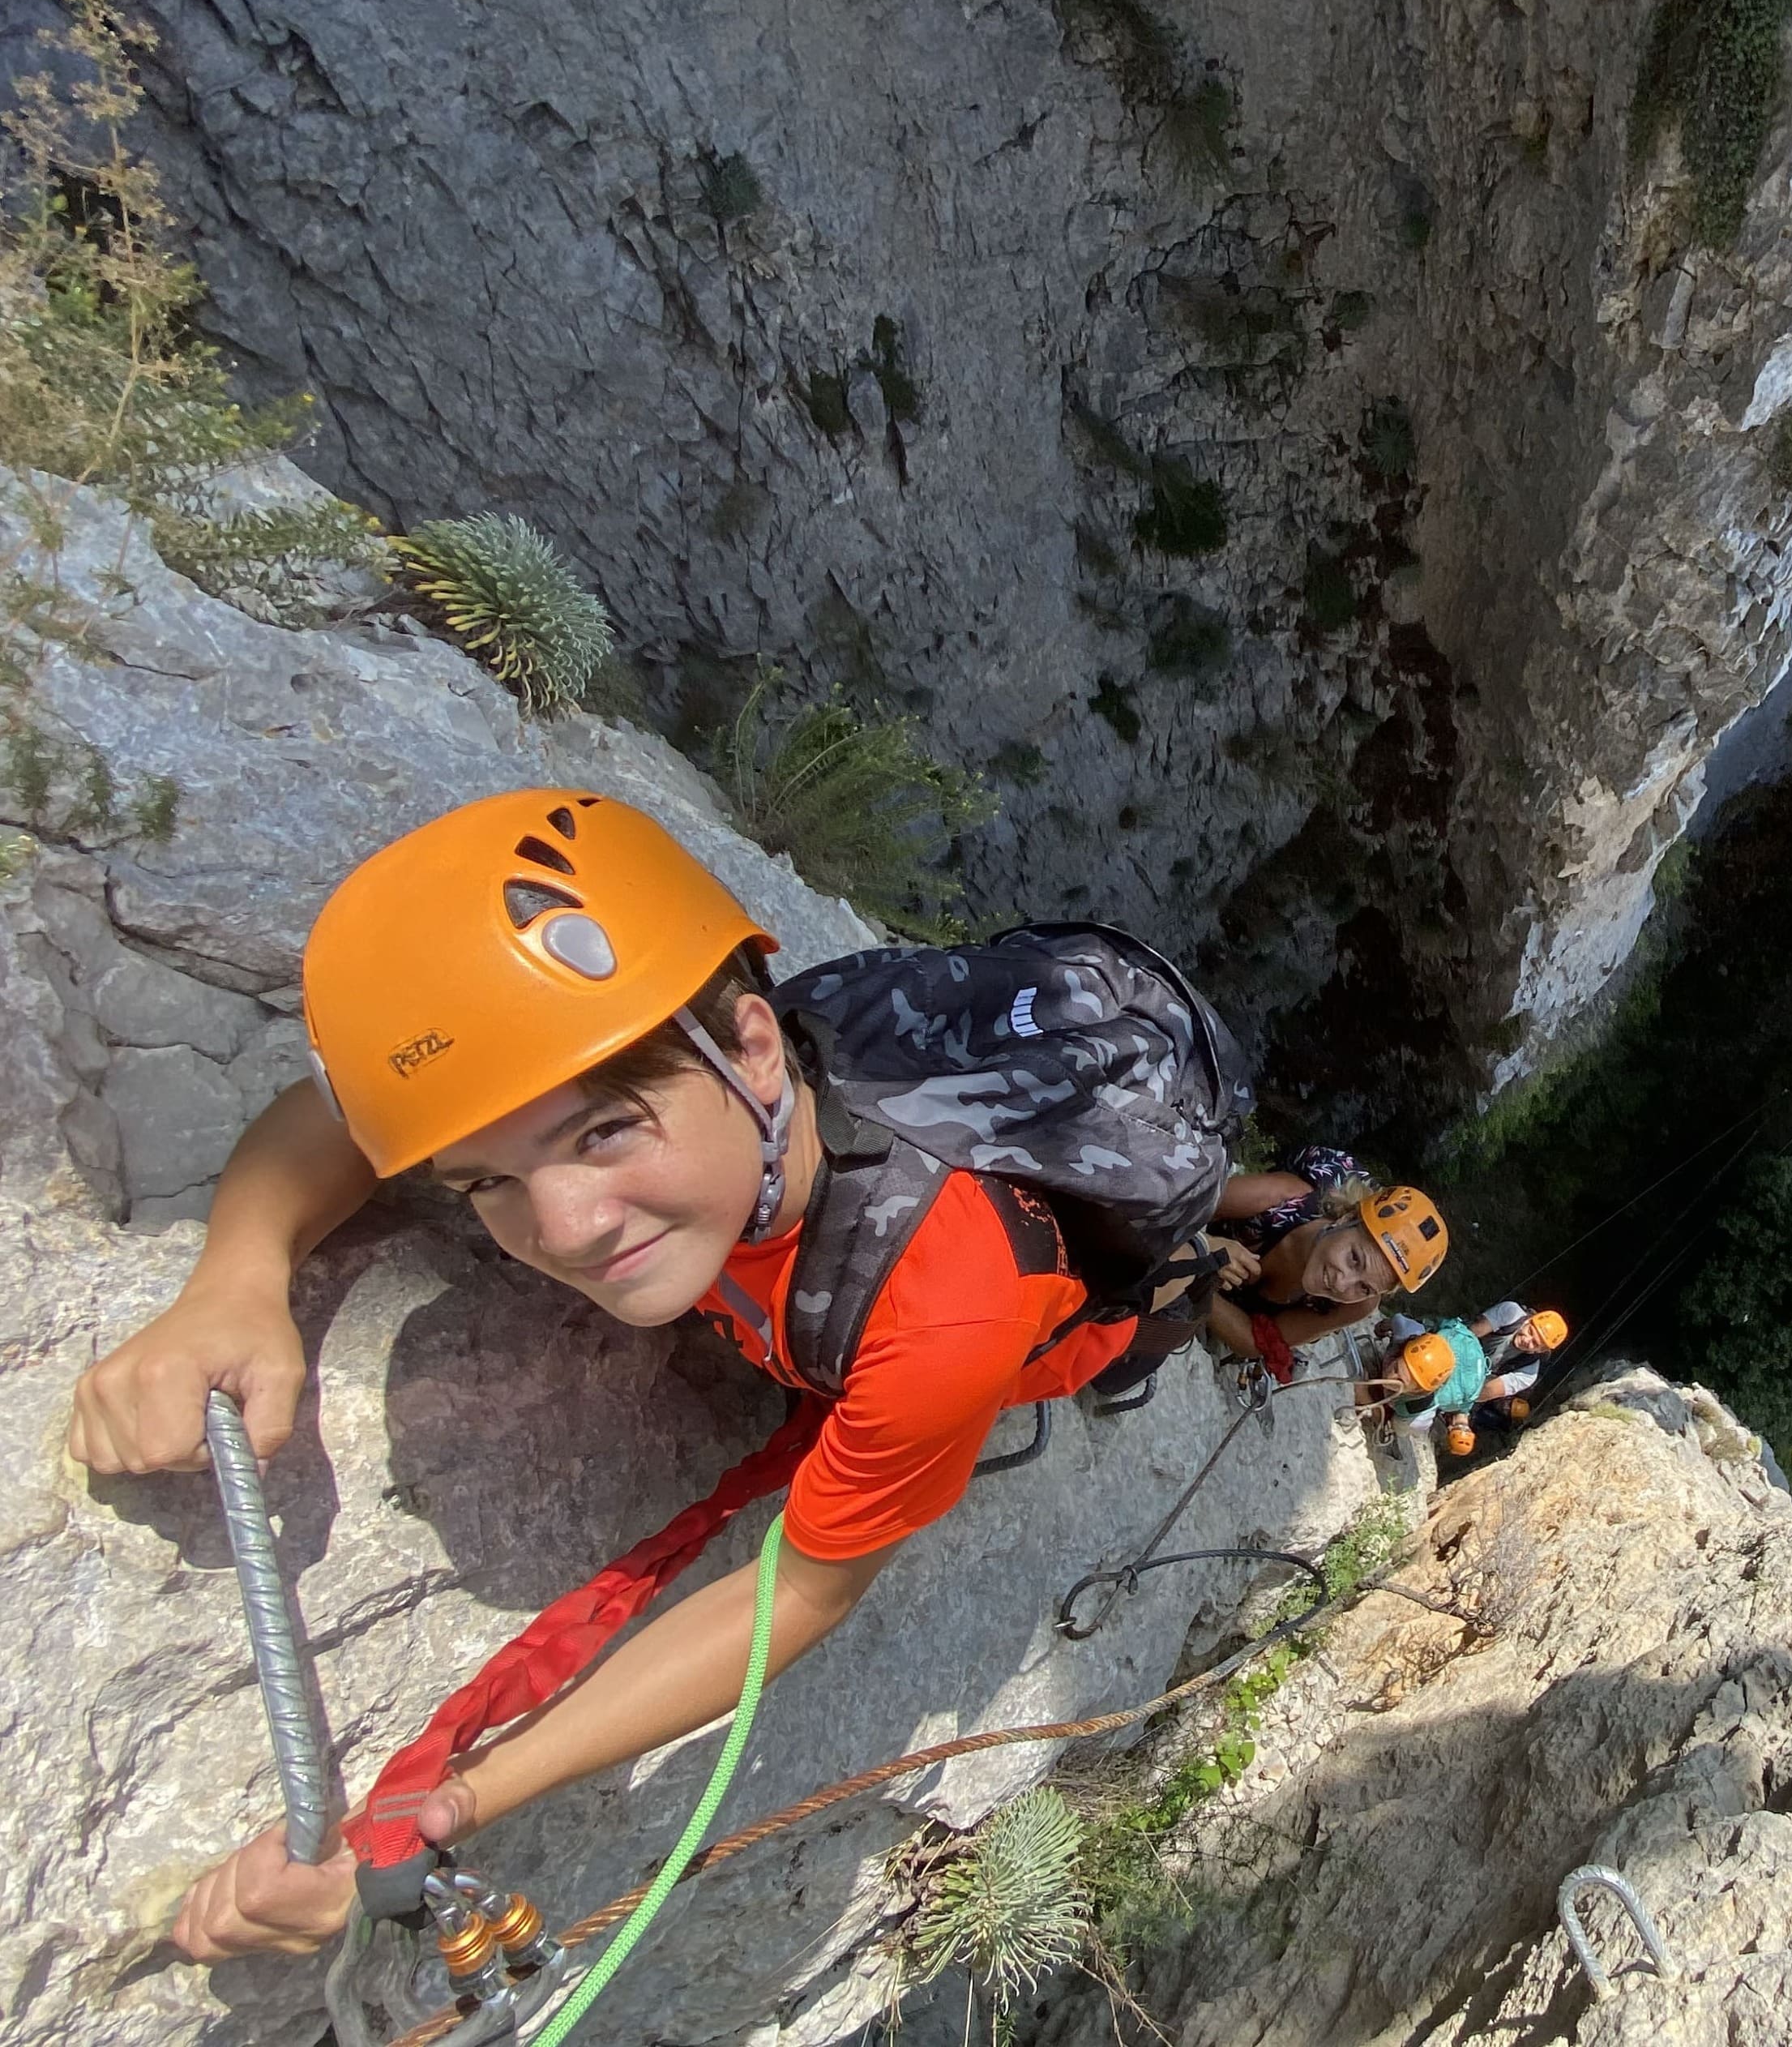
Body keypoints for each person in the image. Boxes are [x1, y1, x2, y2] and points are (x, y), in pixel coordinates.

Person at [66, 790, 1238, 1963]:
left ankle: (1150, 1313)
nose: (566, 1227)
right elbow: (345, 1120)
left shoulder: (944, 1321)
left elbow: (802, 1593)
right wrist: (235, 1278)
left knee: (1085, 1345)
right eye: (484, 1182)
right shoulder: (696, 1079)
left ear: (754, 1051)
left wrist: (464, 1796)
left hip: (1014, 1324)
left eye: (604, 1133)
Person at [1204, 1146, 1450, 1384]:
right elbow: (1183, 1202)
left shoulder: (1360, 1305)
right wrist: (1206, 1246)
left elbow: (1253, 1343)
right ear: (1347, 1218)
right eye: (1354, 1258)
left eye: (1364, 1287)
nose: (1341, 1284)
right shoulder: (1282, 1199)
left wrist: (1199, 1274)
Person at [1379, 1302, 1568, 1456]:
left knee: (1423, 1410)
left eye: (1535, 1343)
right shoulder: (1512, 1313)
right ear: (1529, 1321)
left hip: (1467, 1381)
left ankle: (1396, 1408)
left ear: (1542, 1351)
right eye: (1530, 1331)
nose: (1527, 1340)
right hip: (1452, 1348)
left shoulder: (1528, 1373)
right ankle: (1391, 1331)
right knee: (1412, 1334)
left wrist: (1455, 1401)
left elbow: (1484, 1393)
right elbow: (1473, 1331)